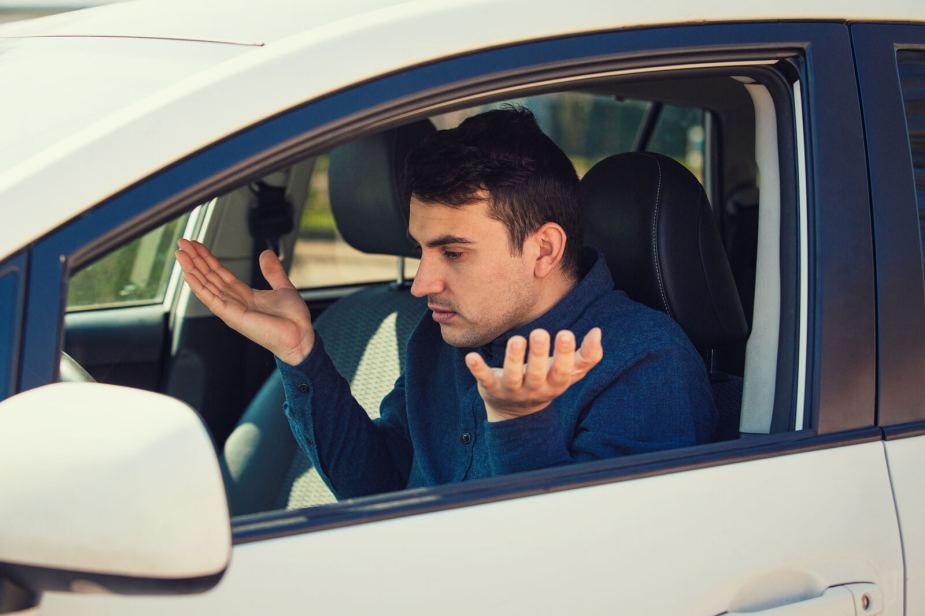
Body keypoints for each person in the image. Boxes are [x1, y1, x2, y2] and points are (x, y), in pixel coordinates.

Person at [176, 108, 716, 500]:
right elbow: (377, 489)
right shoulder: (443, 339)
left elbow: (576, 576)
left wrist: (519, 425)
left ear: (544, 249)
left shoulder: (646, 363)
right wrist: (301, 355)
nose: (421, 284)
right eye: (420, 251)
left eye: (453, 252)